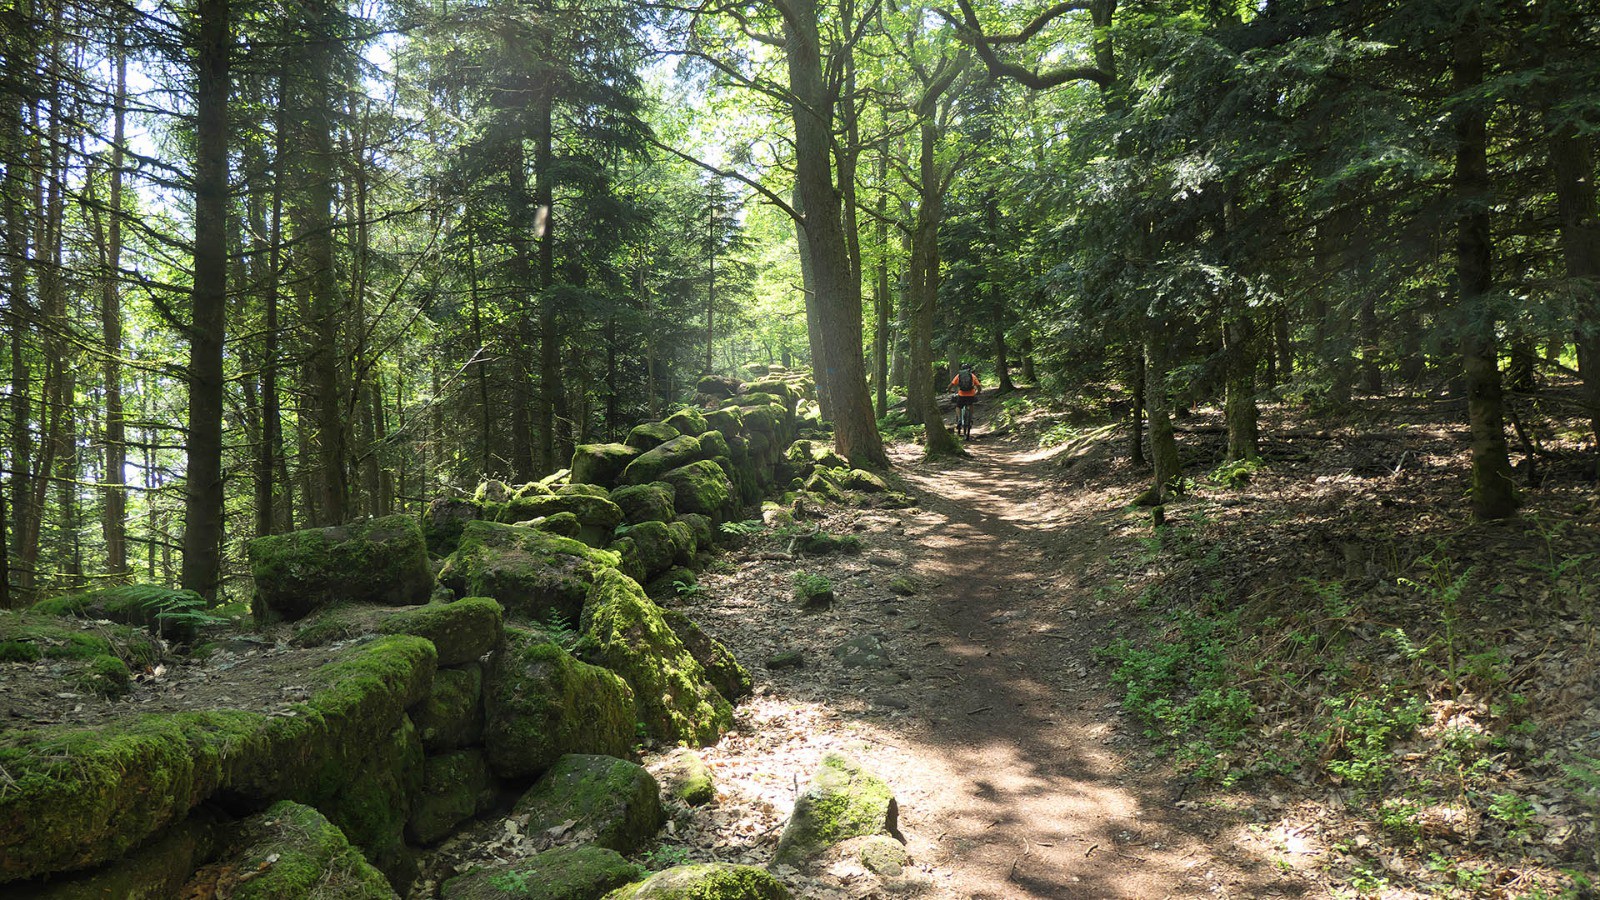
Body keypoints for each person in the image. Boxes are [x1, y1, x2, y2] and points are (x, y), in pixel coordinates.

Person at [950, 364, 980, 437]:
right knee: (971, 404)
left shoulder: (959, 375)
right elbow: (978, 386)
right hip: (971, 394)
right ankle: (970, 417)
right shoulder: (972, 376)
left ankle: (960, 419)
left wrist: (949, 390)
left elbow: (951, 384)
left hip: (962, 395)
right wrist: (978, 392)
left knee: (958, 407)